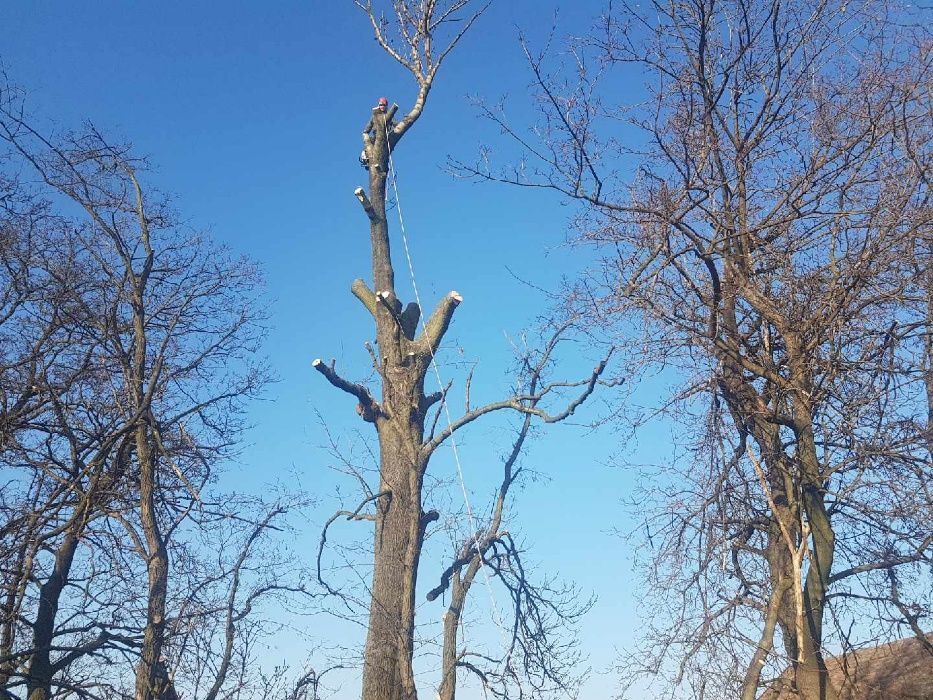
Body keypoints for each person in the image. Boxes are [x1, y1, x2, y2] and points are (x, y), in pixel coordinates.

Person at [360, 97, 391, 169]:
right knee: (370, 143)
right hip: (376, 135)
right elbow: (369, 126)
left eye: (384, 105)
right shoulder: (375, 116)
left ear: (386, 106)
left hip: (385, 136)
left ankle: (380, 164)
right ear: (378, 105)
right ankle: (367, 159)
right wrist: (365, 132)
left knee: (381, 152)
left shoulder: (388, 115)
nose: (382, 106)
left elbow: (396, 124)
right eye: (381, 105)